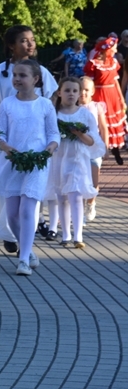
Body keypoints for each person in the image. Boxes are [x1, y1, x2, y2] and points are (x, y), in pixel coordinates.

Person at [0, 25, 58, 254]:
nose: (30, 44)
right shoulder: (0, 72)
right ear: (11, 45)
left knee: (30, 196)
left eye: (32, 39)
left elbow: (50, 103)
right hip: (8, 140)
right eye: (24, 40)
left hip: (34, 141)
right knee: (7, 193)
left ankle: (27, 243)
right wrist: (2, 118)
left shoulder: (41, 71)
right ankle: (8, 232)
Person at [45, 77, 101, 249]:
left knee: (76, 196)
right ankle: (66, 234)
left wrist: (79, 133)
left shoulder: (85, 114)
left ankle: (78, 236)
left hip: (77, 159)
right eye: (67, 90)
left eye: (75, 91)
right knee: (62, 197)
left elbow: (92, 140)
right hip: (58, 158)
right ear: (59, 93)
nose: (71, 94)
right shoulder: (54, 114)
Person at [84, 34, 125, 165]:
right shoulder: (93, 64)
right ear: (107, 50)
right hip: (99, 94)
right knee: (102, 123)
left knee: (113, 123)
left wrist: (121, 98)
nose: (116, 50)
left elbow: (115, 81)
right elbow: (88, 83)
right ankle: (100, 150)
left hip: (112, 94)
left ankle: (115, 150)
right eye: (114, 48)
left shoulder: (113, 62)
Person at [79, 76, 109, 220]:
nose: (82, 93)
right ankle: (78, 212)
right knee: (79, 181)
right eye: (80, 89)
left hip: (94, 149)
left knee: (93, 181)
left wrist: (106, 147)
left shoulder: (97, 107)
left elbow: (103, 128)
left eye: (86, 89)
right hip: (78, 150)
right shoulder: (73, 108)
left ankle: (91, 204)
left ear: (92, 91)